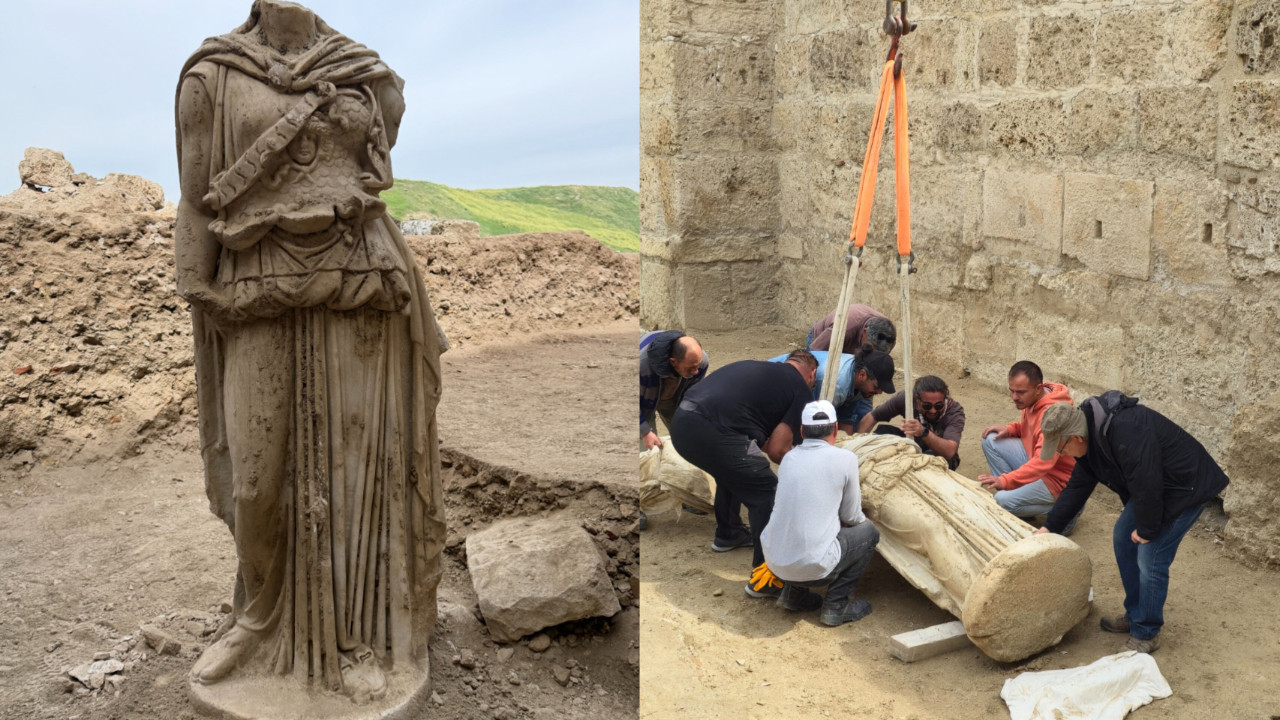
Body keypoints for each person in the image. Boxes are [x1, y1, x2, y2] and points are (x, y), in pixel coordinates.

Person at [176, 2, 445, 698]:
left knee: (358, 474)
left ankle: (360, 638)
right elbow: (196, 201)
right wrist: (194, 288)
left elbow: (373, 170)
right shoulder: (212, 76)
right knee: (256, 481)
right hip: (254, 280)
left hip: (359, 280)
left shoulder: (365, 75)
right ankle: (258, 620)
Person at [1034, 394, 1229, 653]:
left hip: (1185, 487)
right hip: (1155, 487)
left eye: (1060, 448)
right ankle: (1136, 612)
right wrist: (1050, 527)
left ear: (1076, 437)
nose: (1061, 454)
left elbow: (1146, 480)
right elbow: (1079, 485)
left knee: (1151, 554)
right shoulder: (1089, 436)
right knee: (1122, 536)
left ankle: (1146, 632)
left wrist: (1148, 530)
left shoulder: (1126, 430)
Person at [669, 350, 817, 587]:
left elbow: (764, 441)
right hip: (713, 429)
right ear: (811, 374)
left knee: (741, 469)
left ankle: (729, 533)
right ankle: (766, 581)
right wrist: (806, 472)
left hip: (682, 424)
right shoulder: (800, 388)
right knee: (765, 490)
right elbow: (778, 450)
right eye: (813, 381)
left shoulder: (761, 368)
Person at [760, 400, 881, 626]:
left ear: (802, 431)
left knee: (805, 526)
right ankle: (836, 606)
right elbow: (851, 517)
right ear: (836, 428)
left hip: (775, 562)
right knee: (868, 533)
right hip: (813, 568)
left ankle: (794, 596)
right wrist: (865, 519)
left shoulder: (789, 458)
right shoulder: (845, 459)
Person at [978, 361, 1077, 531]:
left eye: (1020, 392)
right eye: (1012, 391)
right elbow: (1033, 429)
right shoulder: (1033, 399)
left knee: (1001, 499)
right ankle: (1021, 499)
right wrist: (1011, 429)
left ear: (1038, 389)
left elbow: (1042, 462)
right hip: (1039, 465)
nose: (1014, 397)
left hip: (1057, 480)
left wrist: (1006, 481)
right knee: (991, 439)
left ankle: (1066, 513)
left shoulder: (1053, 416)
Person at [768, 344, 896, 433]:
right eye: (877, 386)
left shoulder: (857, 378)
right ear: (862, 374)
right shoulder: (837, 386)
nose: (879, 392)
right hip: (772, 385)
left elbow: (846, 419)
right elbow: (810, 421)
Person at [856, 375, 965, 470]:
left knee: (930, 460)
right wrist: (857, 445)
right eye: (927, 406)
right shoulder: (906, 398)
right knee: (883, 432)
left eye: (938, 406)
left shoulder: (954, 411)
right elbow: (871, 417)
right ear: (917, 400)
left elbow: (950, 451)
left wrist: (923, 432)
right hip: (911, 442)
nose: (933, 410)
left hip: (938, 452)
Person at [639, 330, 707, 451]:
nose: (696, 371)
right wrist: (645, 432)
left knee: (687, 438)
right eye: (691, 368)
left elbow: (693, 398)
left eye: (697, 366)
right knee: (647, 449)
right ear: (673, 362)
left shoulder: (699, 362)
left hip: (672, 394)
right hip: (644, 395)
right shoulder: (641, 367)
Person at [806, 304, 897, 355]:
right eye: (871, 348)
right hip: (821, 341)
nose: (872, 354)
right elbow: (814, 353)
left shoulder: (889, 334)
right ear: (864, 332)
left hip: (850, 345)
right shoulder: (844, 328)